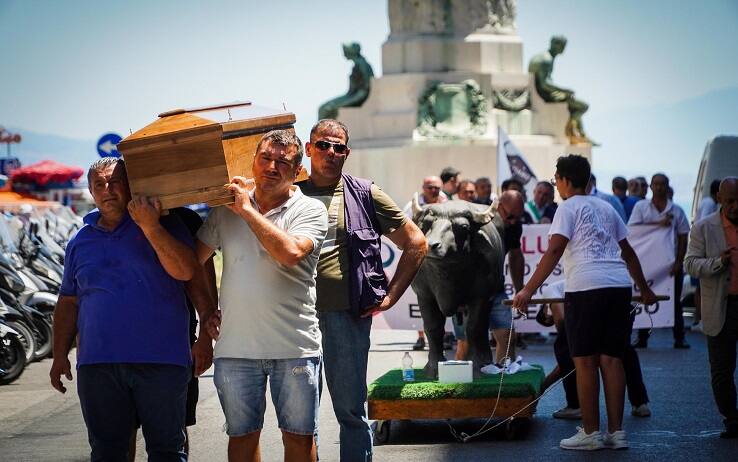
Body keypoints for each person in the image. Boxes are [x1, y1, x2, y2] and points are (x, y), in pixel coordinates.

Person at [49, 157, 201, 461]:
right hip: (98, 365)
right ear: (91, 192)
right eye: (99, 184)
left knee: (167, 451)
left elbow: (186, 271)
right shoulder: (80, 240)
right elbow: (68, 302)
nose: (108, 189)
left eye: (115, 181)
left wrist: (150, 225)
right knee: (107, 453)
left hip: (162, 362)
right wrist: (58, 355)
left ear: (132, 185)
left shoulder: (166, 222)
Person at [299, 119, 427, 462]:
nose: (330, 152)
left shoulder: (364, 193)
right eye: (323, 145)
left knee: (351, 412)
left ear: (347, 153)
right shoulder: (288, 190)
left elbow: (416, 243)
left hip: (346, 315)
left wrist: (391, 297)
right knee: (298, 418)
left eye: (338, 147)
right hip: (295, 317)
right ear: (308, 148)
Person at [196, 130, 328, 462]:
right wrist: (207, 311)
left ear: (297, 170)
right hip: (236, 349)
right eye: (265, 158)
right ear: (252, 163)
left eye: (282, 162)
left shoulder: (310, 209)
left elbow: (290, 253)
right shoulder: (226, 210)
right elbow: (191, 265)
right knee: (241, 440)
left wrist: (247, 211)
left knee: (299, 441)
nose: (271, 167)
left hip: (295, 348)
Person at [513, 154, 657, 451]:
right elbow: (628, 253)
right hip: (618, 287)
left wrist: (527, 290)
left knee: (586, 362)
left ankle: (590, 433)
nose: (555, 186)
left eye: (555, 180)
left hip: (586, 289)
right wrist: (643, 289)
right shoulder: (606, 206)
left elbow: (553, 252)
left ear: (565, 180)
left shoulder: (567, 208)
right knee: (612, 359)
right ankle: (616, 434)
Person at [129, 206, 218, 461]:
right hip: (121, 346)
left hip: (177, 345)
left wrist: (205, 339)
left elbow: (204, 279)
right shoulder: (115, 215)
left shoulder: (185, 219)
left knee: (173, 430)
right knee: (122, 430)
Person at [542, 279, 652, 421]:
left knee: (565, 350)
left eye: (548, 321)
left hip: (595, 301)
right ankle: (640, 403)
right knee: (621, 352)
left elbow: (562, 322)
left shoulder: (549, 292)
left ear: (545, 311)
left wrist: (543, 386)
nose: (551, 322)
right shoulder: (564, 285)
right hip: (619, 294)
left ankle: (575, 406)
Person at [685, 177, 738, 439]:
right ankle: (732, 417)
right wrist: (718, 262)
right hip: (721, 305)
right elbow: (691, 264)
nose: (736, 206)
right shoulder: (704, 228)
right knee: (721, 369)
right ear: (719, 198)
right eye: (730, 201)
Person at [629, 173, 690, 349]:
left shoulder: (676, 210)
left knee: (674, 301)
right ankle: (642, 338)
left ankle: (679, 338)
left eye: (662, 184)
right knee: (644, 298)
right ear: (650, 187)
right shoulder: (641, 207)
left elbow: (683, 237)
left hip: (670, 264)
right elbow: (632, 230)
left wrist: (679, 261)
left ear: (667, 186)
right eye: (656, 184)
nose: (659, 187)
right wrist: (658, 223)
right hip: (646, 263)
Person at [403, 176, 447, 351]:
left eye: (437, 187)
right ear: (423, 187)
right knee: (422, 298)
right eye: (430, 187)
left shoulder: (447, 202)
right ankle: (420, 337)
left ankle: (445, 336)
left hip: (440, 259)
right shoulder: (411, 205)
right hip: (420, 258)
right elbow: (404, 228)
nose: (434, 191)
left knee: (442, 298)